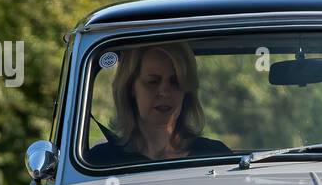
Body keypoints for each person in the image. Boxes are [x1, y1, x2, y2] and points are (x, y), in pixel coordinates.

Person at [87, 42, 230, 164]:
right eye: (153, 82)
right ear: (130, 87)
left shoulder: (215, 155)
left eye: (175, 82)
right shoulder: (99, 162)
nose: (164, 92)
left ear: (186, 90)